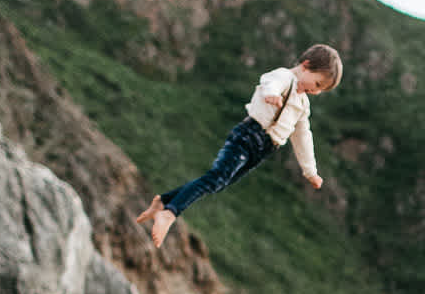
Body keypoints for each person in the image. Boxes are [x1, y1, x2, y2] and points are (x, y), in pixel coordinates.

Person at [135, 44, 344, 249]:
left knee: (218, 183)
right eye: (317, 84)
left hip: (264, 149)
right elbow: (270, 82)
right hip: (248, 136)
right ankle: (170, 213)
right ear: (306, 65)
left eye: (320, 90)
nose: (315, 92)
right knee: (216, 177)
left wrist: (310, 171)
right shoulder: (284, 77)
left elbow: (302, 137)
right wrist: (270, 94)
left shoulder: (303, 103)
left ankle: (163, 202)